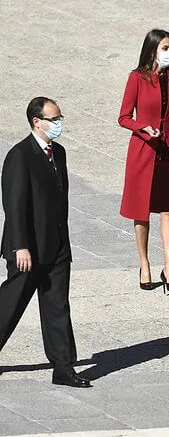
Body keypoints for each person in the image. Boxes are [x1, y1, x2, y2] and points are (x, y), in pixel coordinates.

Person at [0, 97, 91, 387]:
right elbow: (14, 205)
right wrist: (20, 246)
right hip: (28, 249)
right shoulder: (20, 155)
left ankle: (63, 367)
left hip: (57, 246)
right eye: (54, 119)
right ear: (36, 121)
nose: (58, 124)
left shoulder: (59, 153)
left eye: (60, 118)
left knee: (57, 307)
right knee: (10, 304)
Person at [118, 29, 169, 294]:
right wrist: (143, 128)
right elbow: (124, 116)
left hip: (168, 153)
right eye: (165, 47)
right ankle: (144, 264)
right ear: (152, 50)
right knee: (141, 210)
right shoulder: (137, 78)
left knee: (168, 210)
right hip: (144, 151)